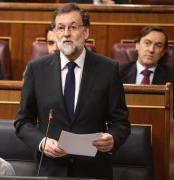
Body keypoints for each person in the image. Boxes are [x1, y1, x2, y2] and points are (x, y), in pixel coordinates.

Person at [15, 3, 130, 179]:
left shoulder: (108, 69)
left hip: (93, 169)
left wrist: (113, 139)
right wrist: (42, 142)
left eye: (73, 27)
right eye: (60, 28)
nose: (66, 33)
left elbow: (121, 122)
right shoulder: (36, 69)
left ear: (86, 32)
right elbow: (23, 122)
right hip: (51, 169)